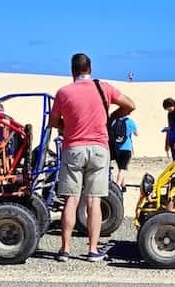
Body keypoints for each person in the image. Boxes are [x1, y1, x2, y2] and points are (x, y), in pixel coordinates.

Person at [48, 53, 135, 262]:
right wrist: (112, 116)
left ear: (72, 70)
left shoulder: (63, 92)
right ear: (90, 68)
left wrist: (66, 127)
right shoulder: (104, 87)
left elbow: (53, 122)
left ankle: (65, 249)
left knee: (71, 198)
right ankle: (92, 249)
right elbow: (130, 105)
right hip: (98, 149)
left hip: (74, 148)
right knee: (94, 200)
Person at [112, 114, 138, 190]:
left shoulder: (114, 121)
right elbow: (136, 134)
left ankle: (123, 185)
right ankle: (117, 185)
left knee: (121, 167)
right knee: (123, 168)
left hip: (116, 148)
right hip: (126, 148)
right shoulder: (130, 121)